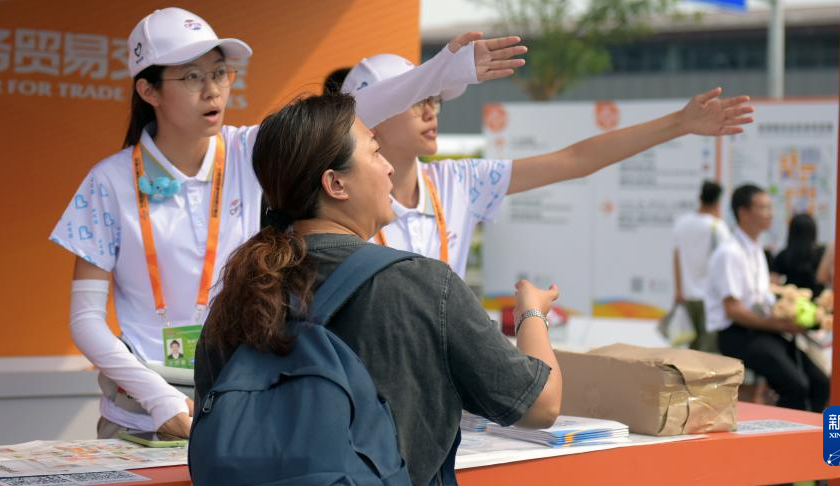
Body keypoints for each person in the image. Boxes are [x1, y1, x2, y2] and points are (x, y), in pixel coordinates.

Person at [51, 7, 528, 440]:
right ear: (148, 90)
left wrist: (441, 72)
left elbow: (348, 114)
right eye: (191, 76)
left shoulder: (248, 151)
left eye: (219, 73)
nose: (212, 89)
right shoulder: (108, 182)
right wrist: (159, 401)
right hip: (139, 416)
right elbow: (85, 319)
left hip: (238, 405)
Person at [195, 93, 561, 485]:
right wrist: (531, 313)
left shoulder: (240, 294)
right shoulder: (424, 286)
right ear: (335, 183)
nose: (389, 168)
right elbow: (541, 405)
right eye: (375, 153)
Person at [341, 53, 755, 278]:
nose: (432, 111)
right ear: (373, 115)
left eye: (433, 99)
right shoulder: (335, 200)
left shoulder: (460, 181)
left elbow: (576, 160)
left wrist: (679, 124)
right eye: (415, 100)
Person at [704, 184, 830, 411]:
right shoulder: (730, 252)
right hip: (738, 333)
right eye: (763, 208)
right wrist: (778, 324)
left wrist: (790, 312)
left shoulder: (756, 250)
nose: (770, 214)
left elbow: (762, 298)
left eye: (770, 207)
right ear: (743, 213)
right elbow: (733, 310)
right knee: (796, 386)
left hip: (764, 329)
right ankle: (785, 431)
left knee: (820, 383)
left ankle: (809, 431)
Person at [672, 180, 730, 352]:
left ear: (700, 197)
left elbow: (676, 258)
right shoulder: (717, 227)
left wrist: (678, 290)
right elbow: (725, 262)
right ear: (718, 202)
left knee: (690, 349)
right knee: (708, 352)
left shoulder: (682, 223)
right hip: (710, 298)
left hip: (687, 295)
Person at [773, 212, 826, 297]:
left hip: (791, 300)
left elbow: (773, 282)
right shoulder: (821, 253)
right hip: (818, 300)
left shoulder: (784, 255)